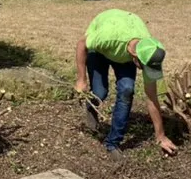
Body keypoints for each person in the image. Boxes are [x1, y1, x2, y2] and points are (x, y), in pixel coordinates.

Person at [75, 9, 178, 161]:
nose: (146, 71)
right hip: (100, 49)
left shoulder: (149, 51)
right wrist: (81, 79)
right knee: (100, 92)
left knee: (127, 90)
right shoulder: (108, 38)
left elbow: (151, 97)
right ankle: (92, 107)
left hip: (123, 54)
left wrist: (161, 136)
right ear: (135, 58)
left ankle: (112, 143)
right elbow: (81, 44)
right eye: (144, 67)